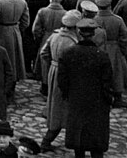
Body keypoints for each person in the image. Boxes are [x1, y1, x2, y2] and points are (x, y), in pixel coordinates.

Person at [58, 18, 113, 158]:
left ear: (79, 33)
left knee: (78, 138)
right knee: (96, 138)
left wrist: (67, 95)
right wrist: (108, 100)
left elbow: (62, 80)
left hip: (76, 100)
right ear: (94, 34)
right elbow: (107, 82)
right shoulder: (102, 56)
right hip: (97, 102)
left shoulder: (68, 53)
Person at [39, 10, 81, 153]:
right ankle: (47, 140)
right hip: (67, 76)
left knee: (55, 104)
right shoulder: (73, 42)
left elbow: (43, 53)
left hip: (53, 71)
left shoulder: (54, 36)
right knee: (63, 108)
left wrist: (53, 64)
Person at [93, 0, 127, 108]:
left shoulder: (93, 19)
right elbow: (125, 37)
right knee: (117, 73)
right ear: (110, 5)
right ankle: (118, 98)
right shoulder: (117, 20)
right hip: (115, 49)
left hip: (98, 48)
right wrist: (123, 51)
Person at [0, 0, 29, 88]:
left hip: (2, 31)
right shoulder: (22, 2)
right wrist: (18, 29)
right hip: (15, 31)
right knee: (15, 58)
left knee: (3, 58)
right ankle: (13, 83)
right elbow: (25, 22)